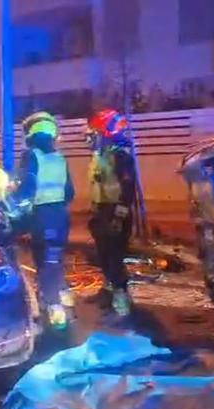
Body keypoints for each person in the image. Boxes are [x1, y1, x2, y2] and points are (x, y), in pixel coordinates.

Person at [10, 111, 75, 330]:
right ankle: (65, 297)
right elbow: (69, 192)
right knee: (54, 258)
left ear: (31, 133)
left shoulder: (31, 156)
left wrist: (12, 209)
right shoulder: (60, 158)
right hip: (61, 215)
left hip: (42, 215)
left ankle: (54, 310)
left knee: (44, 261)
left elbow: (27, 189)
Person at [85, 109, 138, 317]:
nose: (89, 136)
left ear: (106, 133)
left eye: (94, 132)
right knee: (104, 255)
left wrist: (119, 215)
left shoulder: (120, 156)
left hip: (115, 211)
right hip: (102, 210)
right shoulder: (100, 156)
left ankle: (121, 300)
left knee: (115, 257)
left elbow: (128, 188)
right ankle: (108, 292)